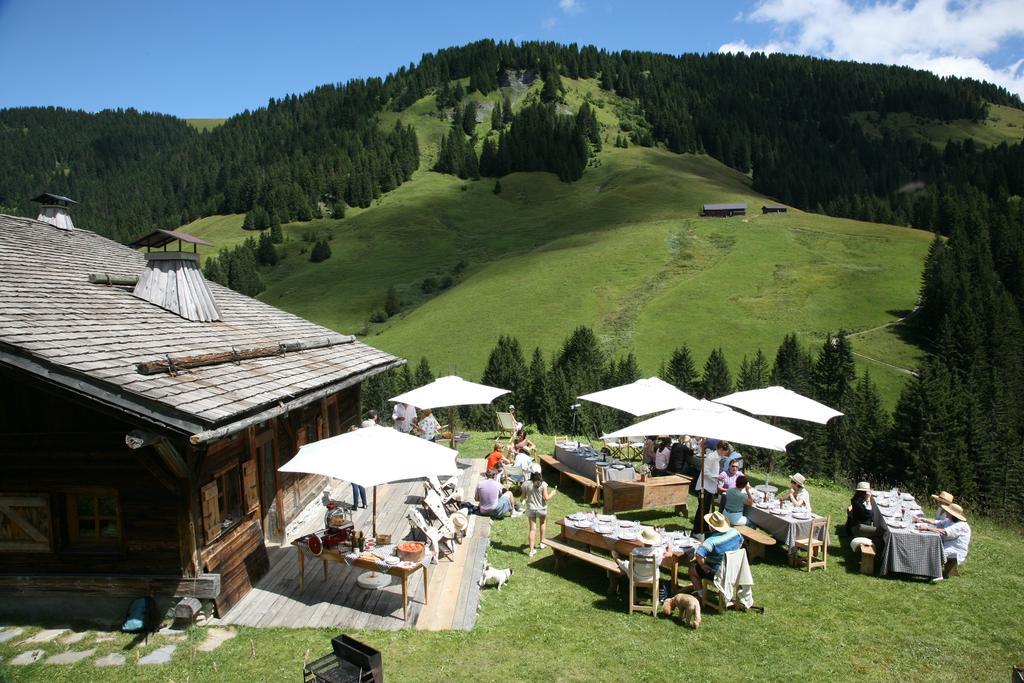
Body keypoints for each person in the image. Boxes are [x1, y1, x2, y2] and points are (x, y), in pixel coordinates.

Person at [689, 511, 743, 592]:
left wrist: (703, 565)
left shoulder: (711, 541)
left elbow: (699, 555)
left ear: (711, 526)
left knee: (692, 571)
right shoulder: (735, 532)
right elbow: (741, 542)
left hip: (719, 573)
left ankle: (700, 595)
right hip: (735, 569)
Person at [918, 503, 971, 580]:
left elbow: (945, 532)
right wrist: (923, 519)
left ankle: (937, 574)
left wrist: (927, 528)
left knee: (935, 553)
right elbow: (937, 522)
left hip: (956, 549)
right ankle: (924, 569)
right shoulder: (949, 520)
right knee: (929, 546)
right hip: (947, 544)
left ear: (953, 514)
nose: (946, 512)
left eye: (948, 512)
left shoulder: (960, 525)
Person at [521, 470, 557, 556]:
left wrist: (523, 499)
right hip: (541, 509)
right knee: (542, 523)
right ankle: (542, 543)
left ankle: (531, 551)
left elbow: (523, 497)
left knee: (532, 529)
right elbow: (546, 498)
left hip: (531, 509)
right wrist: (552, 493)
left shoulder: (526, 484)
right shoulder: (543, 484)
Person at [692, 438, 723, 535]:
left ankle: (704, 526)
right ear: (721, 449)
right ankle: (696, 530)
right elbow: (705, 471)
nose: (725, 454)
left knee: (706, 508)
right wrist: (717, 477)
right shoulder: (711, 457)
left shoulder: (717, 457)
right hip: (704, 486)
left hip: (709, 487)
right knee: (702, 508)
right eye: (724, 452)